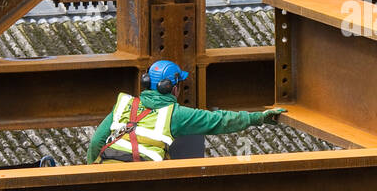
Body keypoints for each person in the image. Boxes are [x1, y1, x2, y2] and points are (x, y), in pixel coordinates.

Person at [86, 59, 286, 164]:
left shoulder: (124, 103)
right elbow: (220, 120)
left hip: (108, 169)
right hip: (143, 179)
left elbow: (96, 142)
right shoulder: (175, 114)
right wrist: (258, 118)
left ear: (146, 83)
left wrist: (93, 172)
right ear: (174, 88)